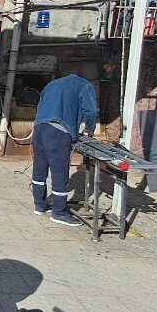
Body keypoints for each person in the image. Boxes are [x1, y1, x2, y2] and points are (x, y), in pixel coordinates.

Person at [31, 74, 98, 226]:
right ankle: (59, 213)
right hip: (58, 131)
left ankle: (39, 206)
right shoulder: (84, 85)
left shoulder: (52, 84)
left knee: (39, 169)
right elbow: (91, 111)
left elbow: (40, 106)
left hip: (39, 128)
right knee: (60, 173)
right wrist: (89, 130)